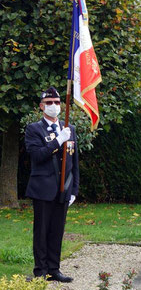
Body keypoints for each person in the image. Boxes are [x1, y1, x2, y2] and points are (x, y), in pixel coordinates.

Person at [25, 86, 79, 283]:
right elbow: (37, 156)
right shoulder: (34, 129)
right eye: (49, 103)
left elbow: (74, 163)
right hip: (42, 189)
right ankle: (40, 271)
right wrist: (58, 141)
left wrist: (74, 189)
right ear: (41, 106)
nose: (54, 106)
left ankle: (54, 269)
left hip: (63, 189)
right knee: (42, 232)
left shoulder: (69, 129)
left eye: (57, 102)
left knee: (57, 231)